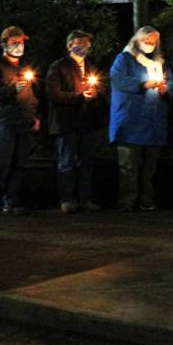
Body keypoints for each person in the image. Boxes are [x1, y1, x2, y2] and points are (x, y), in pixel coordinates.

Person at [109, 26, 173, 212]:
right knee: (129, 166)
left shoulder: (160, 63)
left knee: (149, 167)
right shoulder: (124, 59)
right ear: (137, 40)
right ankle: (127, 201)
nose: (149, 45)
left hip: (152, 120)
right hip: (130, 119)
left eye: (153, 42)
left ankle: (147, 200)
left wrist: (166, 89)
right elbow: (118, 79)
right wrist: (143, 84)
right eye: (146, 41)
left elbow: (171, 84)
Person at [0, 26, 41, 214]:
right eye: (14, 42)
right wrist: (11, 90)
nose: (19, 46)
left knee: (19, 164)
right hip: (3, 121)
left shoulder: (23, 66)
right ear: (4, 44)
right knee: (0, 164)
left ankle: (11, 202)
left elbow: (29, 95)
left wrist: (34, 117)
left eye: (21, 42)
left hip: (23, 121)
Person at [46, 30, 103, 214]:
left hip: (87, 121)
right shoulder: (58, 66)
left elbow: (100, 88)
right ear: (69, 45)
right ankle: (67, 199)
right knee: (67, 162)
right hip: (66, 122)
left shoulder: (91, 66)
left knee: (87, 162)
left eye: (87, 44)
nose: (84, 48)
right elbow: (53, 94)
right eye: (80, 44)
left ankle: (85, 199)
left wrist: (95, 95)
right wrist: (79, 96)